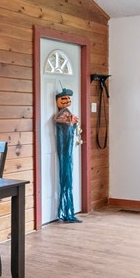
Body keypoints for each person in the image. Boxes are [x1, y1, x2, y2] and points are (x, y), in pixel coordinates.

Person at [53, 88, 82, 222]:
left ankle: (67, 209)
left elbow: (71, 123)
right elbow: (57, 119)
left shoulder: (67, 113)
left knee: (67, 175)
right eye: (64, 98)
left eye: (68, 98)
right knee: (65, 175)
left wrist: (72, 122)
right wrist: (67, 121)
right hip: (64, 149)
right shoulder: (61, 114)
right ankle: (64, 210)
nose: (67, 100)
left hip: (67, 148)